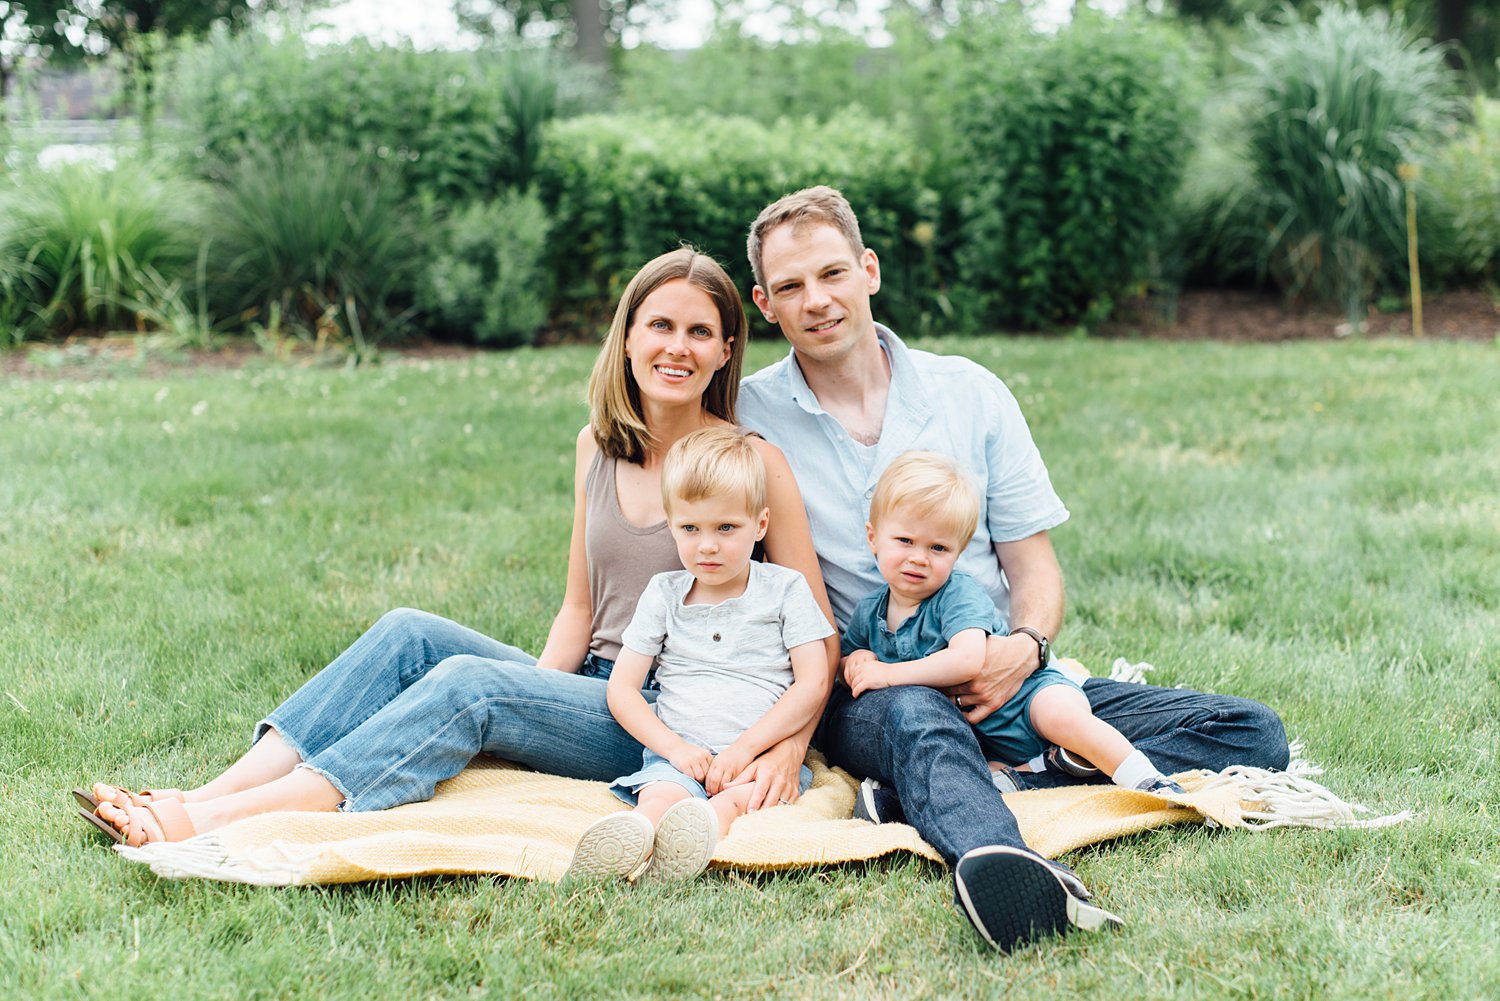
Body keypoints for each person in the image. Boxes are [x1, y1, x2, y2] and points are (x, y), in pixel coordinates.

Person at [77, 247, 838, 848]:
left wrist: (789, 744)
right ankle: (207, 792)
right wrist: (532, 709)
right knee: (410, 630)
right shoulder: (596, 447)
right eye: (660, 326)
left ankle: (229, 821)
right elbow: (581, 606)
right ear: (629, 336)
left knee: (473, 683)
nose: (678, 347)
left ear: (727, 347)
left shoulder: (752, 463)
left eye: (700, 330)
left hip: (669, 714)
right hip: (596, 688)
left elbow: (817, 632)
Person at [736, 186, 1290, 952]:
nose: (817, 300)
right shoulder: (752, 418)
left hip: (1008, 673)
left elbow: (1036, 570)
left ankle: (1002, 779)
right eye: (791, 286)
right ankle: (1003, 860)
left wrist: (1020, 650)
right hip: (872, 687)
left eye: (832, 273)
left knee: (1250, 731)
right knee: (918, 718)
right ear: (765, 303)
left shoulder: (971, 392)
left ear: (869, 269)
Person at [565, 428, 833, 882]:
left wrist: (747, 748)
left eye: (726, 528)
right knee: (660, 794)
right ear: (671, 525)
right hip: (680, 753)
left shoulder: (784, 590)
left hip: (756, 757)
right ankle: (635, 839)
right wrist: (675, 749)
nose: (707, 545)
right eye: (690, 528)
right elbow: (623, 688)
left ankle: (697, 836)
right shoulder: (664, 594)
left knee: (736, 799)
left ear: (760, 525)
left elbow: (814, 680)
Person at [841, 451, 1184, 797]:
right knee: (968, 769)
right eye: (905, 541)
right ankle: (1046, 769)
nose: (919, 557)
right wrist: (854, 662)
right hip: (985, 737)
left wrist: (888, 674)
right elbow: (847, 659)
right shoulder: (871, 612)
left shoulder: (957, 593)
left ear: (957, 554)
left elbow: (967, 659)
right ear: (873, 538)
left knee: (1060, 718)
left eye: (938, 547)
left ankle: (1146, 778)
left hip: (1028, 698)